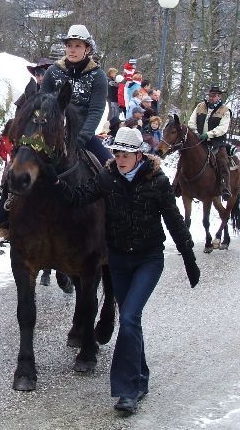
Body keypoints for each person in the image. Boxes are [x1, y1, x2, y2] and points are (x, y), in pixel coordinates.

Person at [47, 126, 200, 415]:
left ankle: (127, 391)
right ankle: (140, 378)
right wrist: (54, 182)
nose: (120, 158)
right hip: (118, 260)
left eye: (126, 154)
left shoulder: (157, 182)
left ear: (139, 154)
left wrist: (188, 256)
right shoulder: (107, 177)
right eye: (117, 152)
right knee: (132, 322)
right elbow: (79, 196)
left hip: (148, 260)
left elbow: (175, 221)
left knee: (128, 317)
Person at [41, 24, 111, 165]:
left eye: (78, 46)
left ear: (87, 48)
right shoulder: (52, 72)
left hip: (83, 134)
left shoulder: (98, 76)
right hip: (52, 132)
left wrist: (81, 138)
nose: (72, 50)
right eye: (69, 45)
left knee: (111, 168)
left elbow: (96, 111)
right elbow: (42, 104)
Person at [187, 84, 233, 200]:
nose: (211, 97)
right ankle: (177, 184)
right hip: (199, 140)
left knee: (223, 160)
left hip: (216, 142)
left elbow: (223, 128)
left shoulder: (225, 111)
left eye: (214, 96)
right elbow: (191, 122)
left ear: (219, 97)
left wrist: (209, 134)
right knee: (185, 156)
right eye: (210, 95)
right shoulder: (200, 106)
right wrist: (196, 132)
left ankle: (225, 187)